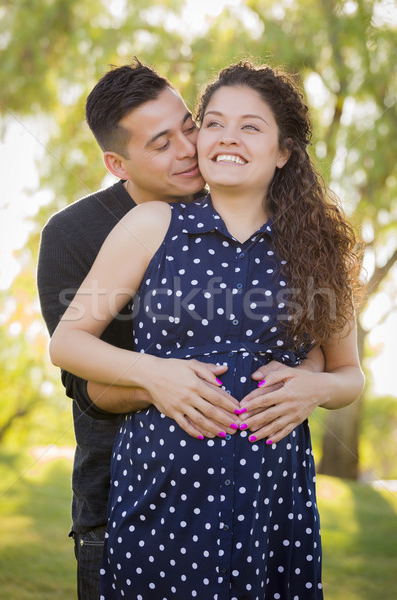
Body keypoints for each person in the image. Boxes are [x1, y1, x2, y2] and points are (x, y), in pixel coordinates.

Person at [49, 61, 364, 599]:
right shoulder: (151, 225)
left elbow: (349, 374)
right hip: (160, 490)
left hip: (272, 499)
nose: (223, 138)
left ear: (284, 151)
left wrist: (316, 386)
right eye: (214, 122)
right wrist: (155, 375)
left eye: (250, 126)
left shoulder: (318, 248)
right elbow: (67, 343)